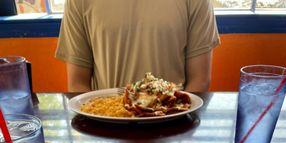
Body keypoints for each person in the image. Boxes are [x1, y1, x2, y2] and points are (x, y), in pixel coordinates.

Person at [56, 0, 220, 93]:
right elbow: (77, 83)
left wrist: (177, 114)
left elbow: (200, 79)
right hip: (107, 123)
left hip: (173, 121)